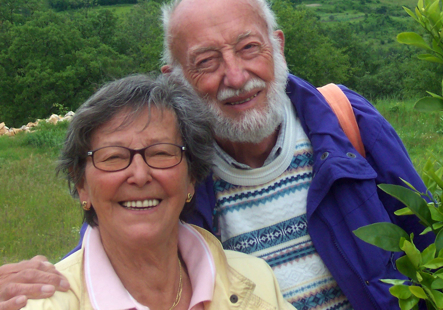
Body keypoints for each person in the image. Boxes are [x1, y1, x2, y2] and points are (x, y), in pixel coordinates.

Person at [1, 0, 439, 310]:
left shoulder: (346, 119)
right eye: (206, 62)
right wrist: (30, 285)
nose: (235, 76)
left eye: (249, 48)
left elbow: (437, 244)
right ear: (175, 78)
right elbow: (111, 249)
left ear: (278, 46)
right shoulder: (173, 169)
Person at [21, 74, 293, 310]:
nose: (140, 175)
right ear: (82, 185)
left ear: (191, 179)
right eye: (113, 157)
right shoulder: (42, 303)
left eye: (161, 153)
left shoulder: (256, 282)